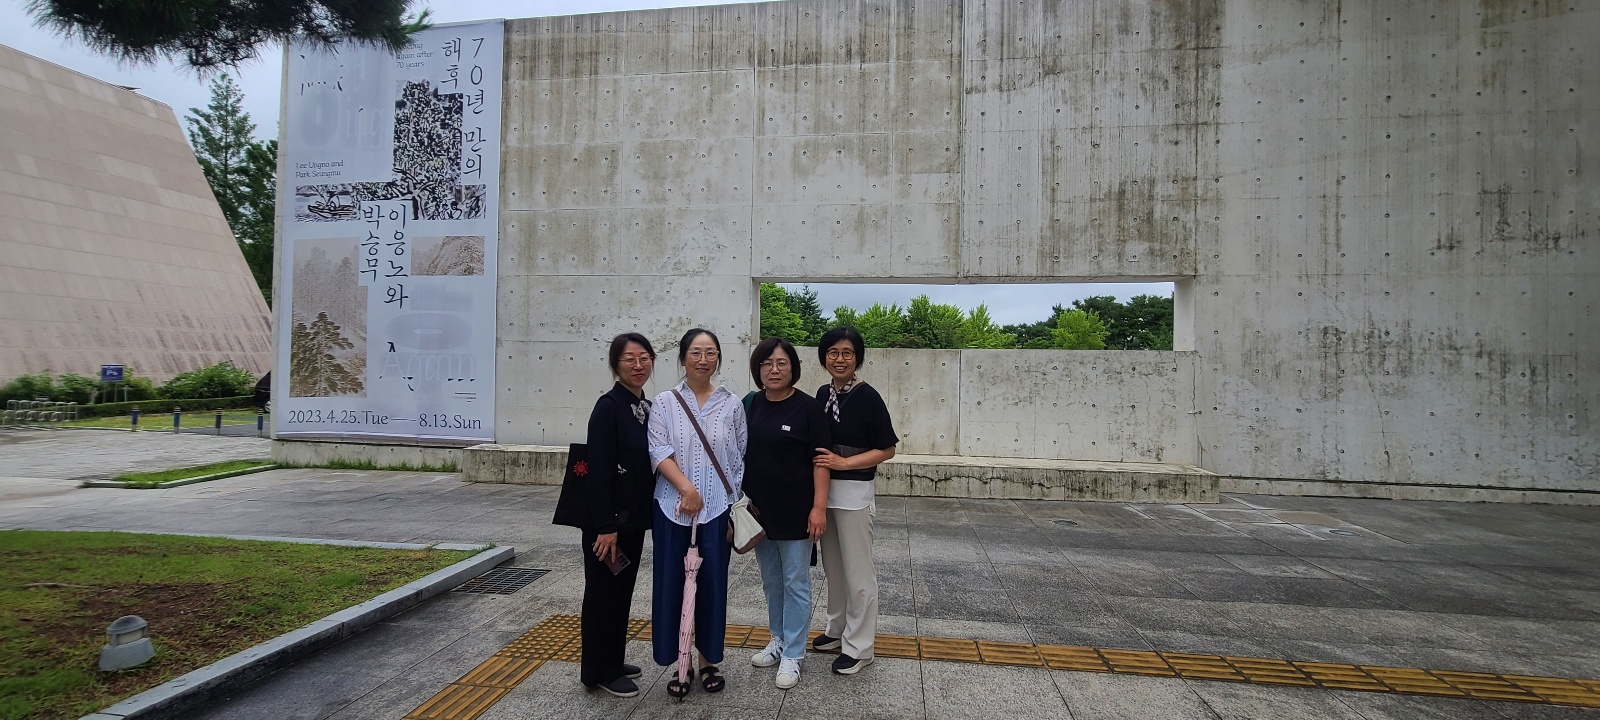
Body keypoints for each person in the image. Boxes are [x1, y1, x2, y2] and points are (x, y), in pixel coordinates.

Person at [648, 328, 746, 697]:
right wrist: (687, 489)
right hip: (672, 508)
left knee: (712, 588)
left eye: (710, 352)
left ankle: (707, 660)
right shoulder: (664, 402)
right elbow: (658, 451)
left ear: (718, 358)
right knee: (671, 586)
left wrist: (730, 500)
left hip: (717, 511)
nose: (703, 360)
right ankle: (681, 662)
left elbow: (738, 456)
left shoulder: (731, 403)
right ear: (683, 357)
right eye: (695, 352)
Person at [742, 337, 830, 689]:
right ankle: (777, 639)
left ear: (793, 368)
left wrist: (818, 508)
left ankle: (794, 653)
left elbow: (821, 462)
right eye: (767, 364)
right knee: (772, 581)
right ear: (758, 369)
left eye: (781, 363)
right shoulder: (750, 404)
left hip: (797, 512)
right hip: (759, 513)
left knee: (796, 582)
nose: (774, 370)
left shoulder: (809, 408)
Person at [810, 326, 898, 675]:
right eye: (833, 352)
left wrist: (845, 463)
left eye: (847, 353)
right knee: (834, 569)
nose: (839, 359)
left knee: (859, 574)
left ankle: (860, 646)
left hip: (854, 498)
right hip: (824, 496)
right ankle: (837, 628)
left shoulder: (868, 397)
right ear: (824, 357)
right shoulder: (823, 394)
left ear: (857, 359)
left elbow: (887, 449)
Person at [577, 333, 657, 698]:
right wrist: (605, 526)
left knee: (621, 591)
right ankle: (600, 671)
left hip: (632, 521)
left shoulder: (644, 407)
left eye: (644, 358)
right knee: (602, 595)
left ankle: (611, 658)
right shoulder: (608, 407)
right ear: (615, 365)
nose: (638, 365)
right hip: (609, 525)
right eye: (629, 359)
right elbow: (598, 470)